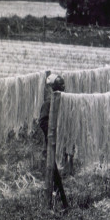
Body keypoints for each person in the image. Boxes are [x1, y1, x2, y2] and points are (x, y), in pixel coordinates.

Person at [39, 73, 69, 209]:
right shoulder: (49, 103)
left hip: (60, 141)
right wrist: (51, 136)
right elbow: (42, 122)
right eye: (59, 85)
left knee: (57, 171)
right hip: (52, 142)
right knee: (53, 171)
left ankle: (58, 198)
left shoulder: (64, 101)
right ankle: (57, 200)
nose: (62, 88)